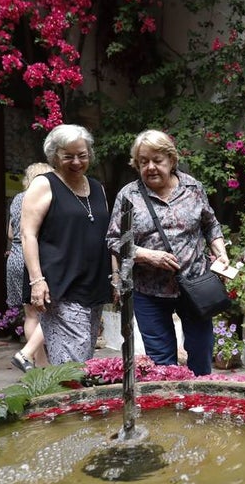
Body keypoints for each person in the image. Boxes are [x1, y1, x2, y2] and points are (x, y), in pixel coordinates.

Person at [106, 129, 229, 375]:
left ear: (171, 160)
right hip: (148, 291)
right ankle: (172, 407)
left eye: (157, 160)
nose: (150, 167)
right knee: (161, 361)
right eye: (143, 162)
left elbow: (210, 225)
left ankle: (199, 404)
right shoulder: (128, 195)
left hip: (195, 285)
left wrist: (221, 252)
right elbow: (114, 240)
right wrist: (147, 255)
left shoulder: (193, 188)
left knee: (201, 350)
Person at [20, 124, 116, 367]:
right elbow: (27, 235)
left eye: (82, 155)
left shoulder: (96, 188)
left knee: (83, 356)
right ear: (55, 155)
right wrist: (36, 280)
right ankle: (68, 401)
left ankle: (66, 400)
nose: (76, 161)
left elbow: (107, 235)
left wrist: (114, 277)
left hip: (93, 283)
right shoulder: (44, 184)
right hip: (60, 284)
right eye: (68, 156)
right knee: (72, 363)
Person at [6, 162, 51, 371]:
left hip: (14, 257)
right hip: (32, 259)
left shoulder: (17, 198)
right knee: (52, 311)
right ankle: (31, 358)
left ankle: (37, 363)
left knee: (31, 315)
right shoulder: (42, 197)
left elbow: (10, 233)